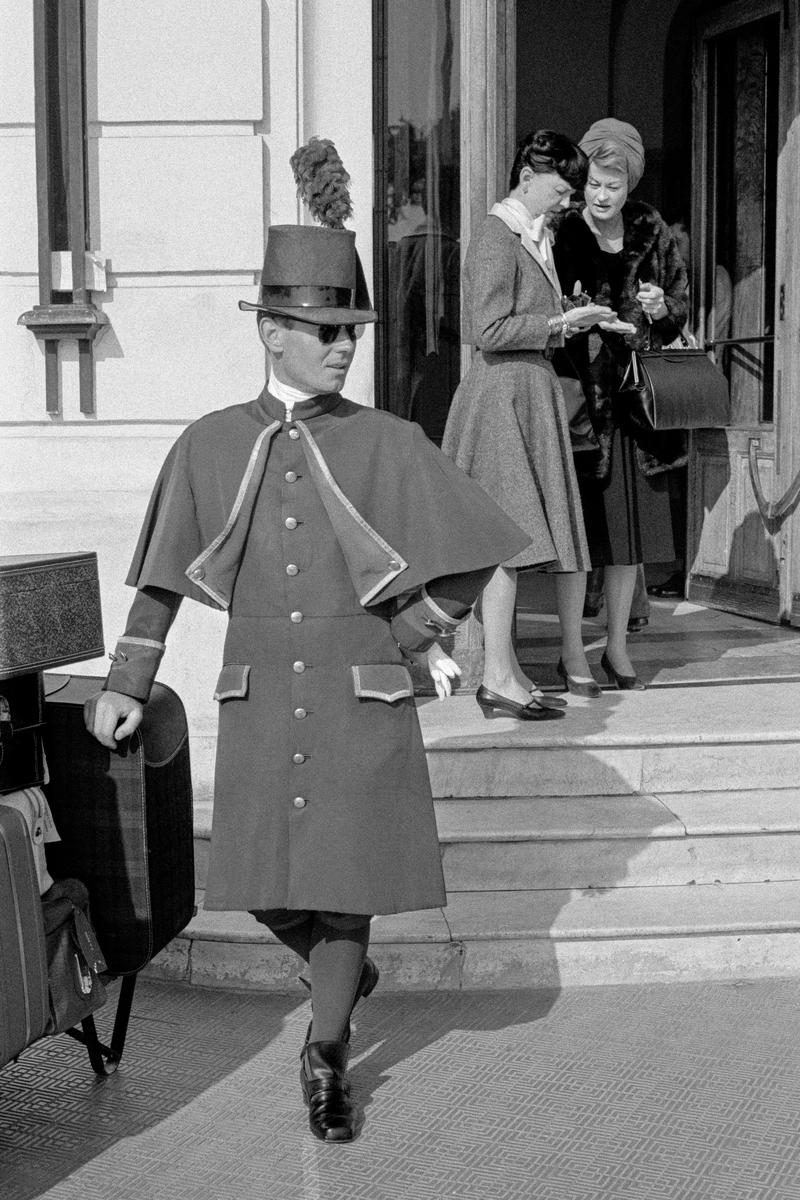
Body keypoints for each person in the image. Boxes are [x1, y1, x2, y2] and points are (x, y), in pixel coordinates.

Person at [83, 139, 529, 1143]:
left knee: (346, 885)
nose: (342, 347)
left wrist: (422, 623)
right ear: (273, 333)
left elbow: (485, 543)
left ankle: (327, 1054)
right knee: (259, 886)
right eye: (324, 330)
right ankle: (338, 973)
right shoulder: (207, 441)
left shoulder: (387, 441)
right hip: (257, 691)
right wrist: (123, 679)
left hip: (358, 691)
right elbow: (161, 571)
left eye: (349, 330)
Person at [441, 129, 619, 718]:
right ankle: (496, 676)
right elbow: (485, 331)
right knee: (505, 542)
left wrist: (564, 318)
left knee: (512, 540)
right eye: (562, 189)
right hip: (502, 398)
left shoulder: (529, 234)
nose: (568, 201)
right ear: (527, 174)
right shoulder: (498, 234)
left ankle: (506, 670)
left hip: (525, 395)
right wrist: (555, 323)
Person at [552, 118, 689, 689]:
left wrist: (661, 307)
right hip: (581, 402)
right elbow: (540, 308)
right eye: (595, 183)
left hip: (633, 407)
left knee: (627, 539)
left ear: (630, 183)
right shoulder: (559, 228)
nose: (603, 195)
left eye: (614, 184)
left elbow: (681, 301)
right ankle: (569, 650)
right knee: (575, 537)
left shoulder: (651, 227)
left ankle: (615, 646)